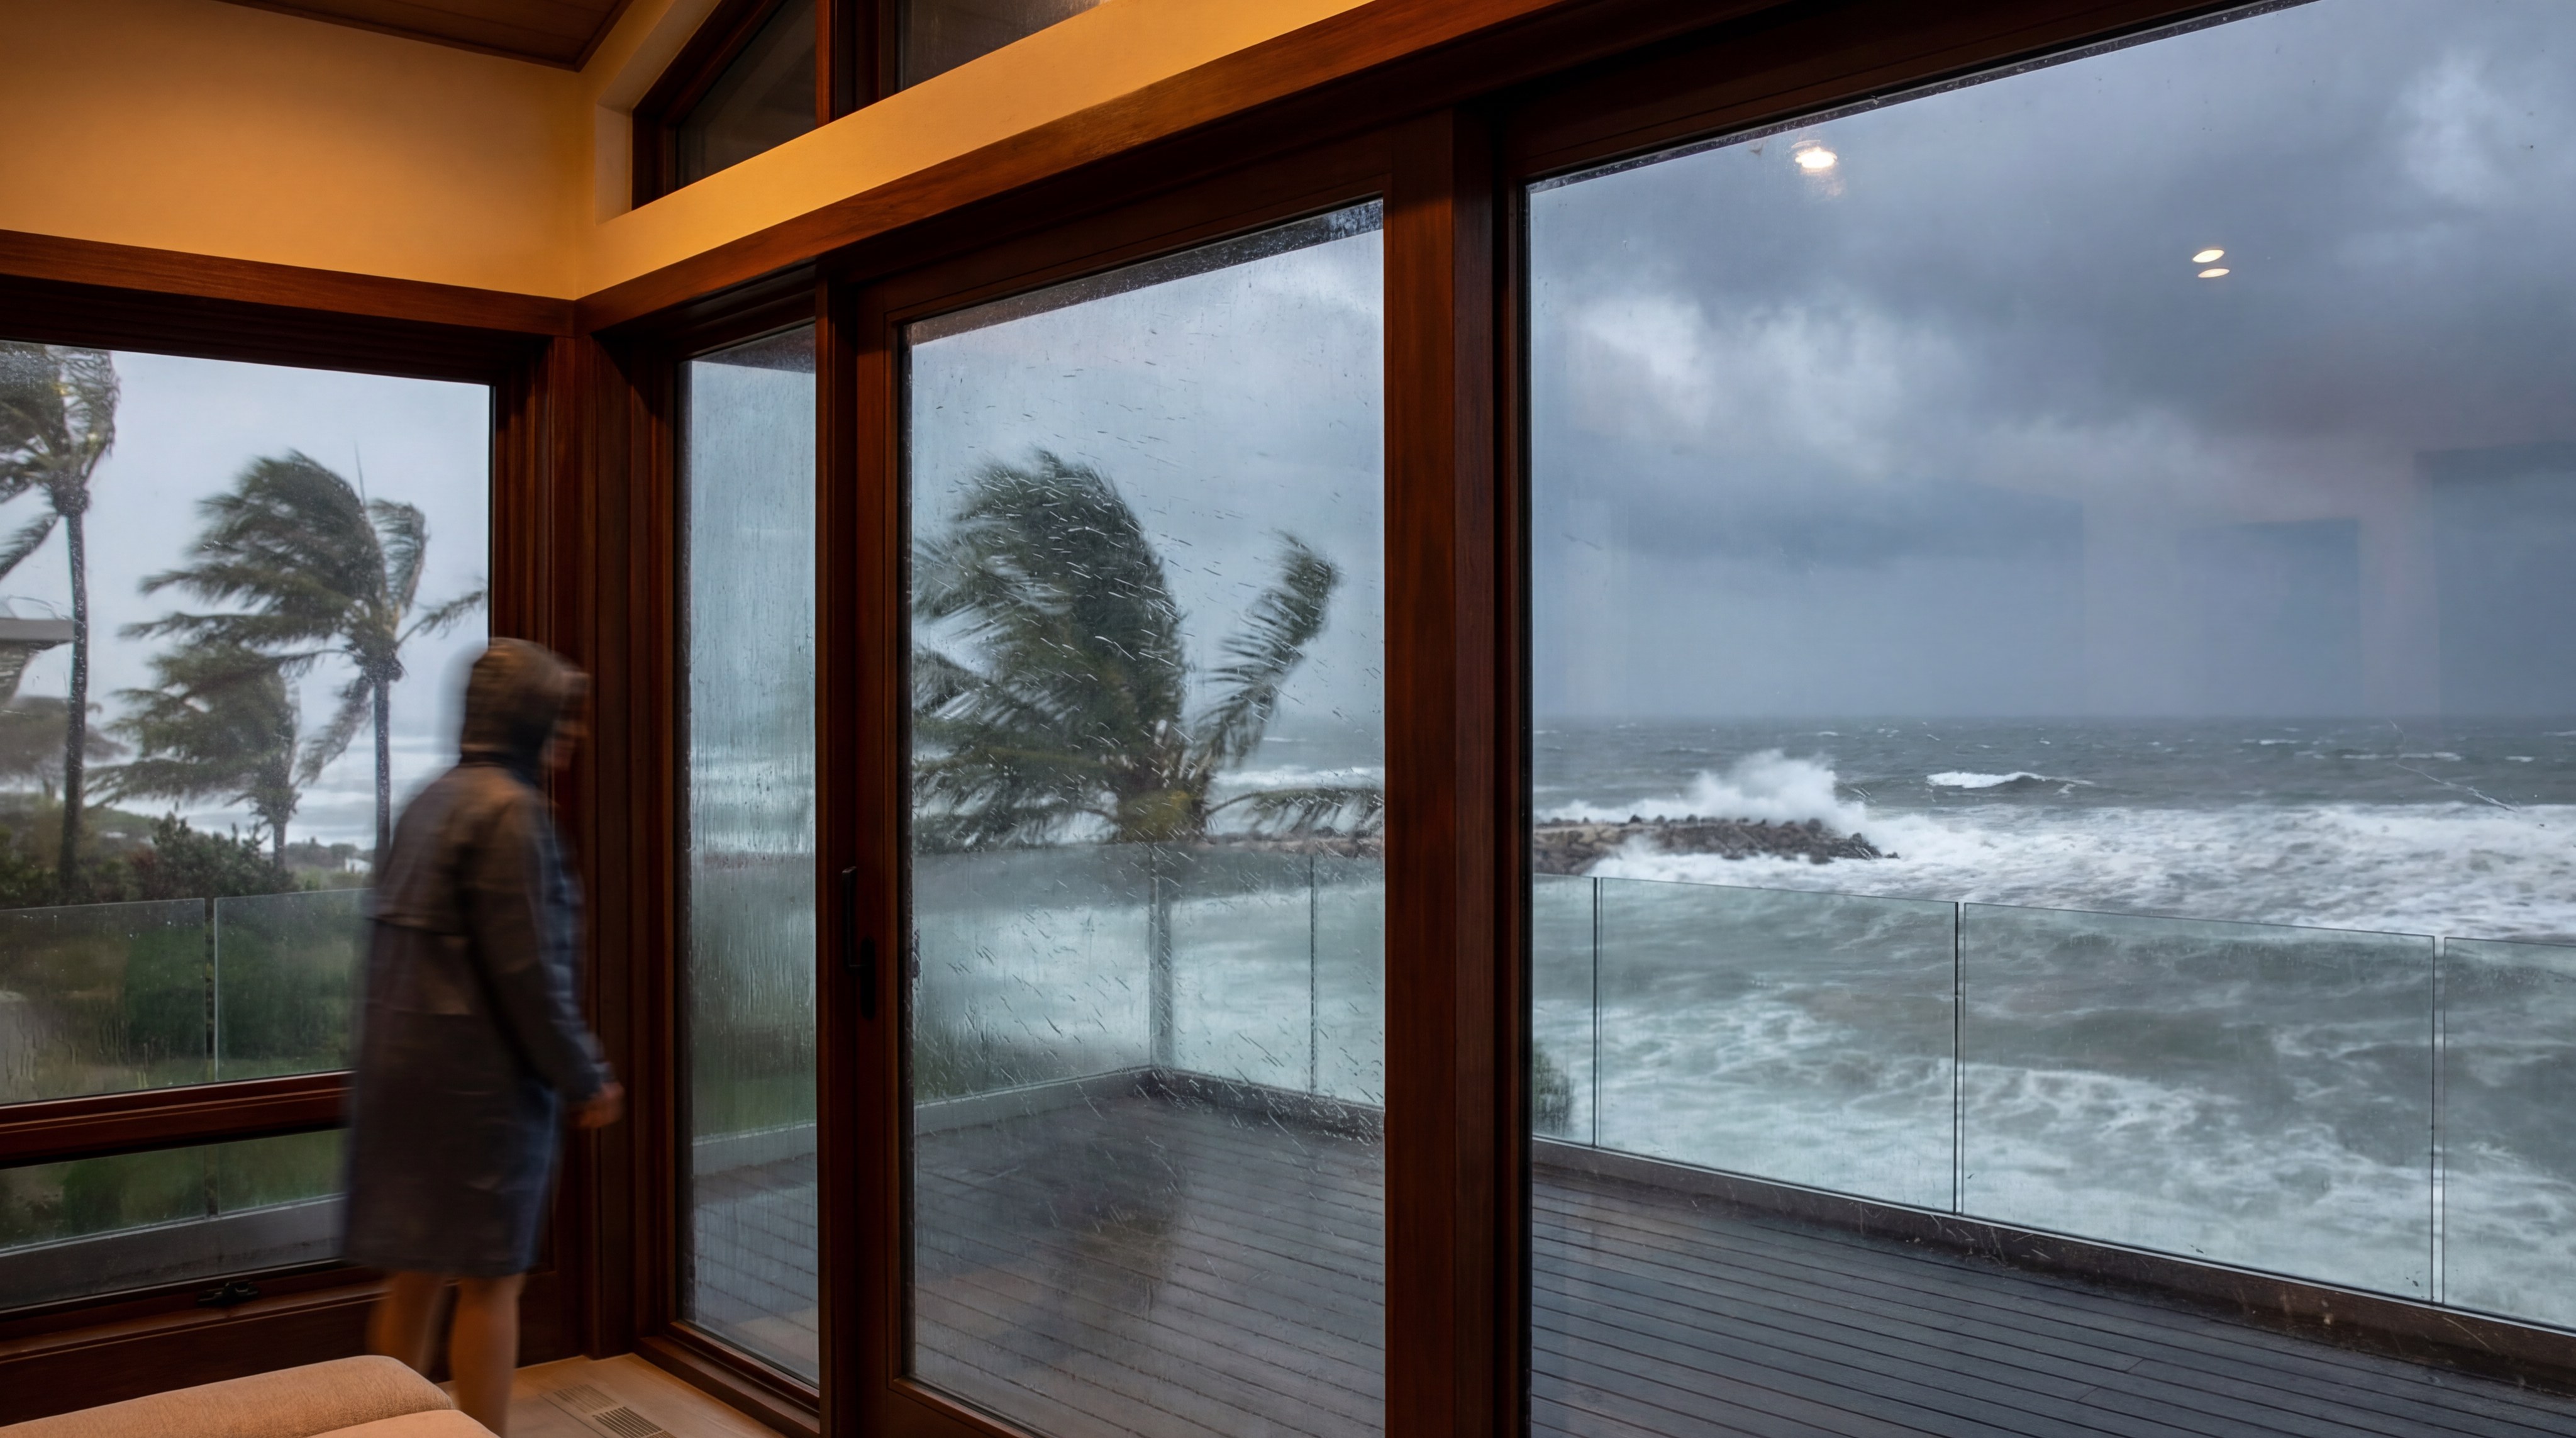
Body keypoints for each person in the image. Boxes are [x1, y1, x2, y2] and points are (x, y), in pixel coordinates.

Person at [342, 639, 623, 1436]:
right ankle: (485, 1432)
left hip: (402, 1076)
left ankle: (386, 1426)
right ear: (531, 721)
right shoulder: (514, 815)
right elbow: (529, 972)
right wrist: (583, 1075)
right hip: (477, 1089)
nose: (573, 737)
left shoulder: (430, 802)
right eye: (563, 720)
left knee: (416, 1274)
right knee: (491, 1281)